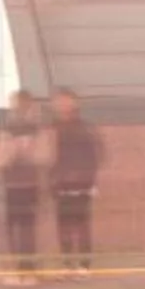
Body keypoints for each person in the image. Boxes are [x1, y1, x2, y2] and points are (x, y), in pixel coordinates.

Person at [0, 92, 50, 287]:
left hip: (27, 184)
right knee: (14, 227)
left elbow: (44, 156)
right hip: (12, 184)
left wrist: (24, 151)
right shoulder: (9, 128)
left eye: (21, 105)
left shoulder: (36, 128)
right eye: (16, 105)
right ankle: (19, 269)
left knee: (25, 228)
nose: (19, 109)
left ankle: (27, 269)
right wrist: (11, 151)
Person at [47, 90, 103, 276]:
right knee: (63, 224)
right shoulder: (53, 128)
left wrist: (90, 178)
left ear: (74, 104)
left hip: (81, 183)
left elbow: (96, 155)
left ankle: (84, 265)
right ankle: (68, 264)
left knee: (81, 224)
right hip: (61, 184)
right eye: (58, 103)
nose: (61, 106)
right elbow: (49, 157)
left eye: (64, 102)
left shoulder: (84, 128)